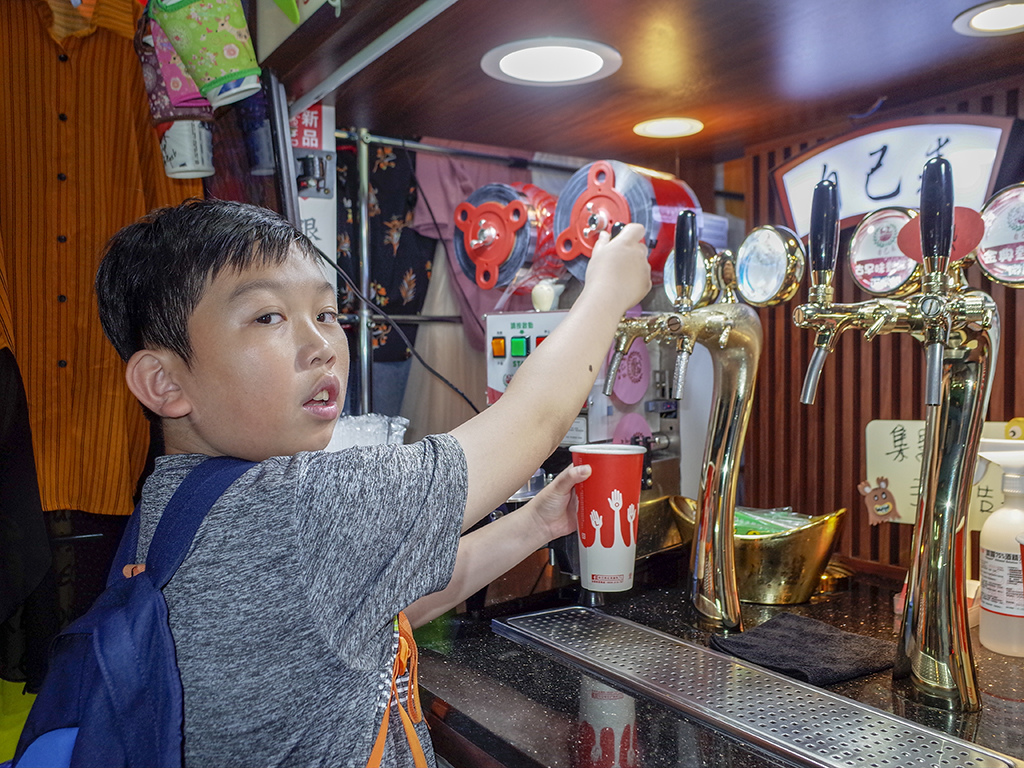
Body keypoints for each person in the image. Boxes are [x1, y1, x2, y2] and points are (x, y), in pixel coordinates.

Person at [93, 197, 651, 768]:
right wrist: (608, 290)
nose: (321, 348)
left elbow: (373, 607)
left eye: (327, 314)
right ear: (163, 381)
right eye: (268, 317)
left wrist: (535, 523)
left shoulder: (179, 502)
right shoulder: (291, 507)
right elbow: (534, 419)